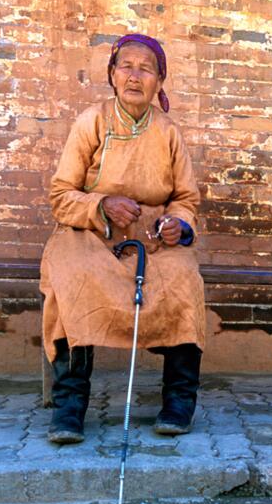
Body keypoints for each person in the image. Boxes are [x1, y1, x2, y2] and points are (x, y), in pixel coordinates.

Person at [39, 33, 205, 444]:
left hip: (151, 240)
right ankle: (70, 407)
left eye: (146, 69)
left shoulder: (168, 131)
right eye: (126, 67)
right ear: (112, 75)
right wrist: (101, 205)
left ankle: (179, 403)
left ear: (160, 81)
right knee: (73, 281)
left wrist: (178, 225)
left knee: (184, 280)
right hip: (89, 234)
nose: (135, 76)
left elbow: (185, 199)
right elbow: (61, 196)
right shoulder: (92, 121)